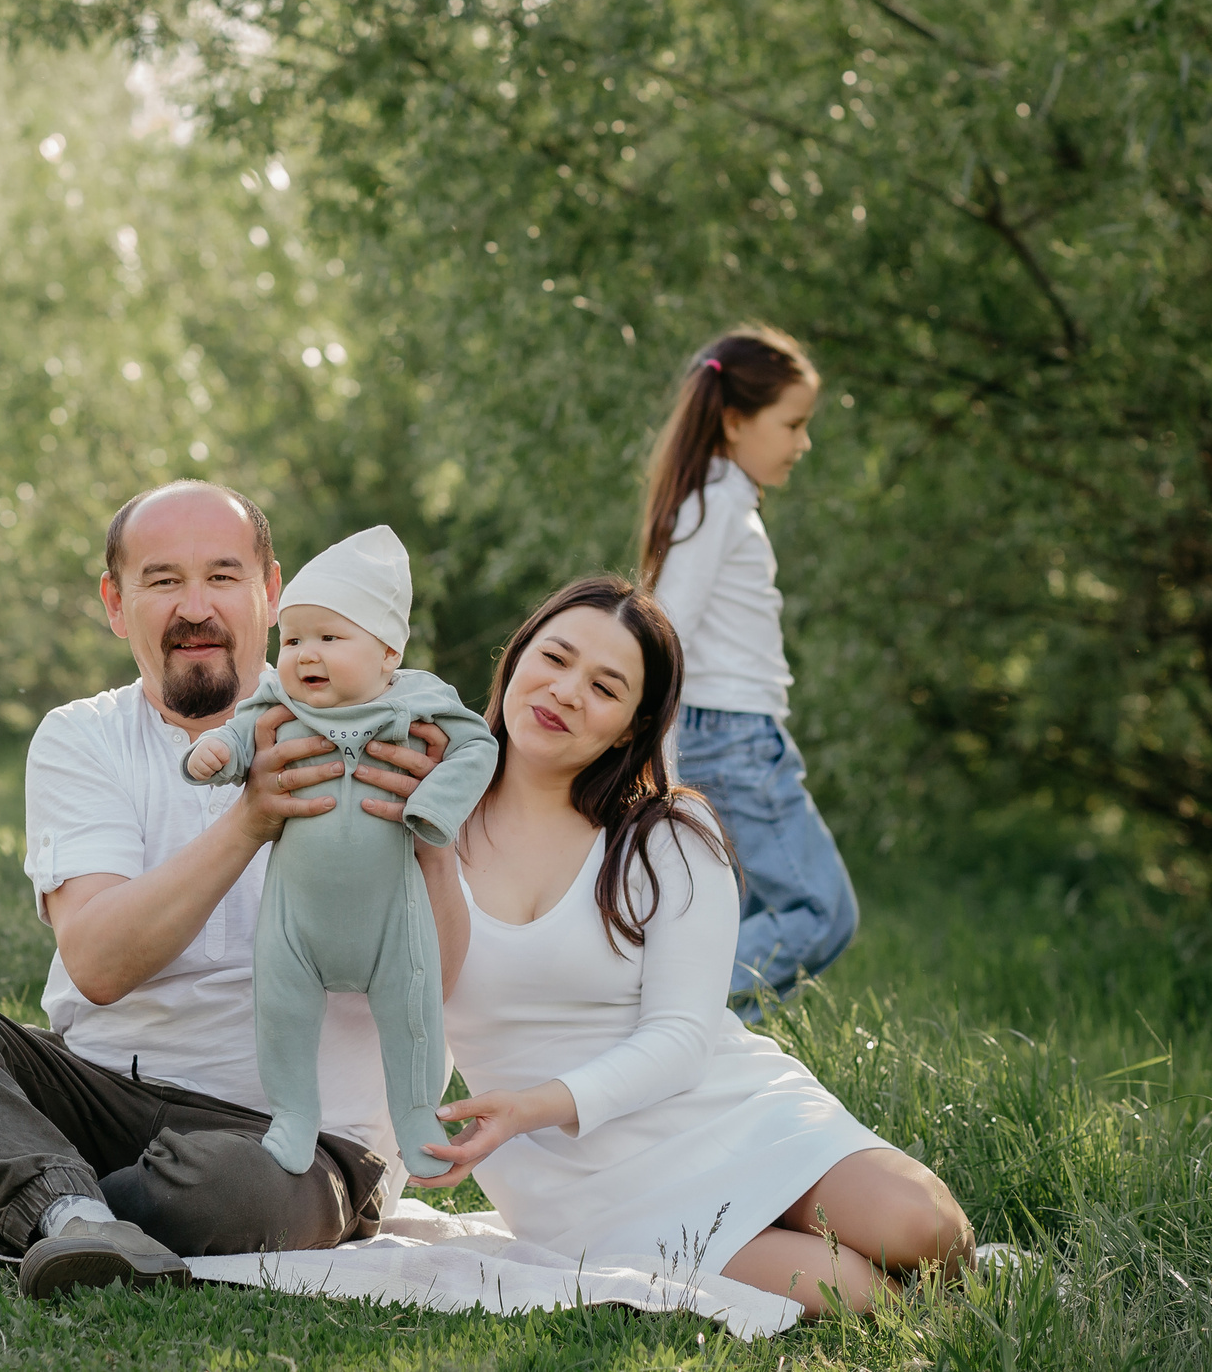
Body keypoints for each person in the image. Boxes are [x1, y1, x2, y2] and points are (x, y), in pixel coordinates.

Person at [0, 482, 457, 1298]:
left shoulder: (388, 735)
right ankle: (71, 1217)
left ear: (272, 592)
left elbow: (441, 975)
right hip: (105, 1098)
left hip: (297, 1143)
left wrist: (431, 838)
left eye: (222, 576)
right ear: (116, 603)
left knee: (226, 1189)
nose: (195, 607)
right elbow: (101, 964)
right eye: (161, 580)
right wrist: (249, 820)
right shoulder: (82, 737)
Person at [414, 576, 972, 1318]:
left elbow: (681, 1037)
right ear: (516, 660)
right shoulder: (420, 824)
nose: (568, 690)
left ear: (628, 727)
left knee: (926, 1228)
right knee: (868, 1299)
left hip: (729, 1115)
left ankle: (842, 1225)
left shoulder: (668, 836)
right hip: (584, 1187)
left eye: (605, 686)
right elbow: (385, 998)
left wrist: (529, 1105)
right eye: (555, 657)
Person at [181, 524, 496, 1178]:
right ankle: (293, 1114)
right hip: (296, 921)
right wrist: (218, 753)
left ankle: (415, 1120)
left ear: (387, 653)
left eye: (329, 636)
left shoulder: (422, 703)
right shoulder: (279, 705)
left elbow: (479, 749)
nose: (304, 654)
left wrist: (436, 805)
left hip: (391, 920)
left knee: (414, 1018)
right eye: (292, 638)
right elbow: (241, 736)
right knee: (281, 1011)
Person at [640, 327, 858, 1005]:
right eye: (792, 423)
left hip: (736, 736)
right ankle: (663, 1013)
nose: (804, 442)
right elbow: (663, 631)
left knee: (722, 914)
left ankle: (698, 1049)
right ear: (735, 420)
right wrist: (659, 766)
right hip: (732, 740)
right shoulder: (717, 506)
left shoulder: (720, 502)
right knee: (821, 913)